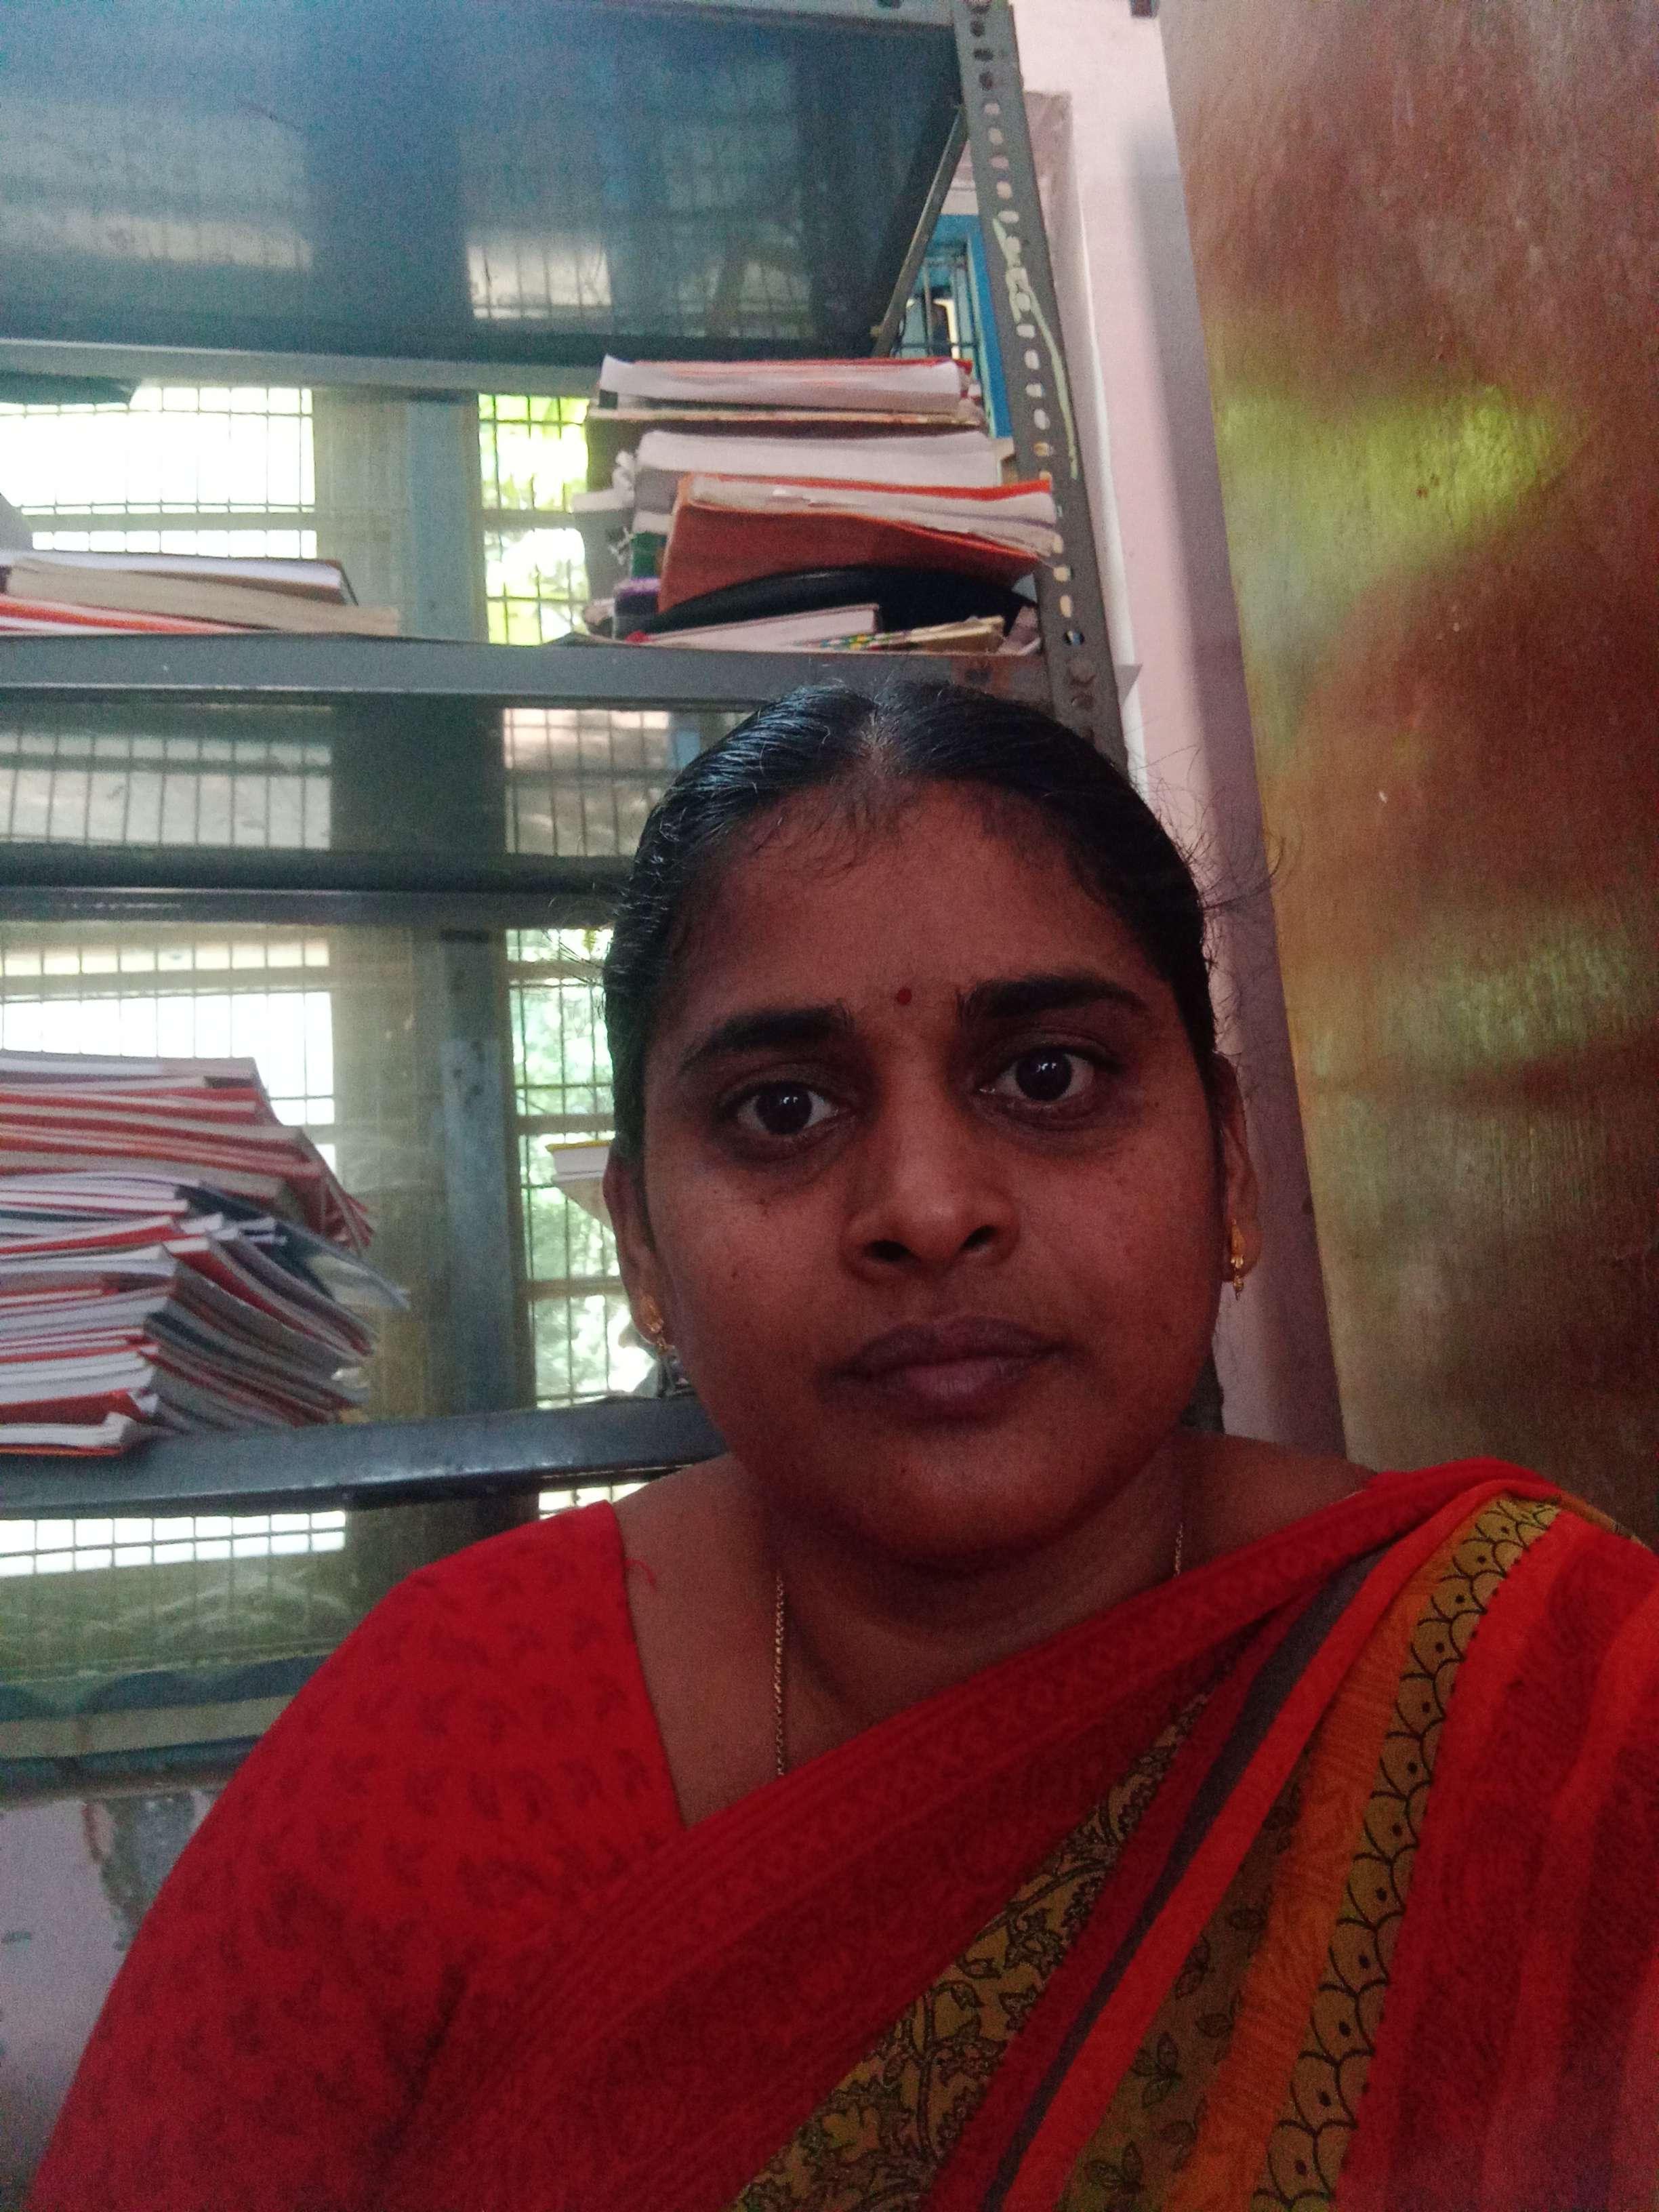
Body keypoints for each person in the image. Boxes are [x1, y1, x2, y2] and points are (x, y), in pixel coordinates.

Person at [33, 682, 1659, 2212]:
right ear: (644, 1243)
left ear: (1229, 1162)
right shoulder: (435, 1748)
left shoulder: (1542, 1691)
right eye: (783, 1112)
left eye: (1049, 1075)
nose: (929, 1209)